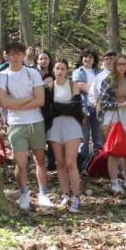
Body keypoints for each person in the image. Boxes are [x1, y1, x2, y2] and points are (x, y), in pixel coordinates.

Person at [0, 42, 53, 210]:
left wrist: (15, 102)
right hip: (15, 124)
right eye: (12, 53)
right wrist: (28, 99)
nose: (15, 57)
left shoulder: (32, 73)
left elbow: (40, 100)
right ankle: (23, 193)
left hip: (35, 121)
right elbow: (4, 103)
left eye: (18, 53)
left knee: (40, 159)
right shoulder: (3, 75)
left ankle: (43, 193)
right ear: (6, 55)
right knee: (20, 163)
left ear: (23, 55)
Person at [44, 60, 84, 212]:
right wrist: (62, 109)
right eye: (57, 68)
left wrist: (57, 108)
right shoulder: (49, 87)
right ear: (53, 70)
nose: (60, 71)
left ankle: (76, 197)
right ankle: (66, 194)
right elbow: (48, 110)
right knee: (59, 163)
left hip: (71, 126)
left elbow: (76, 108)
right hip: (55, 127)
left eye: (63, 68)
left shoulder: (73, 85)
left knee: (71, 163)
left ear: (67, 70)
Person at [98, 54, 126, 194]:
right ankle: (114, 183)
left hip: (125, 117)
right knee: (114, 153)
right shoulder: (107, 81)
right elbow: (103, 103)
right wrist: (122, 104)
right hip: (111, 118)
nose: (122, 67)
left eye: (124, 64)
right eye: (119, 64)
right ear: (114, 65)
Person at [72, 49, 103, 159]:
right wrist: (95, 88)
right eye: (85, 56)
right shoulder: (78, 72)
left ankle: (96, 163)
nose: (88, 59)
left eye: (90, 57)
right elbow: (78, 85)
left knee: (98, 138)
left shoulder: (99, 73)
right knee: (83, 139)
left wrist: (87, 87)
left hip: (98, 107)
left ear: (94, 60)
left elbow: (103, 89)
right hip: (84, 107)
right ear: (82, 58)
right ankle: (83, 165)